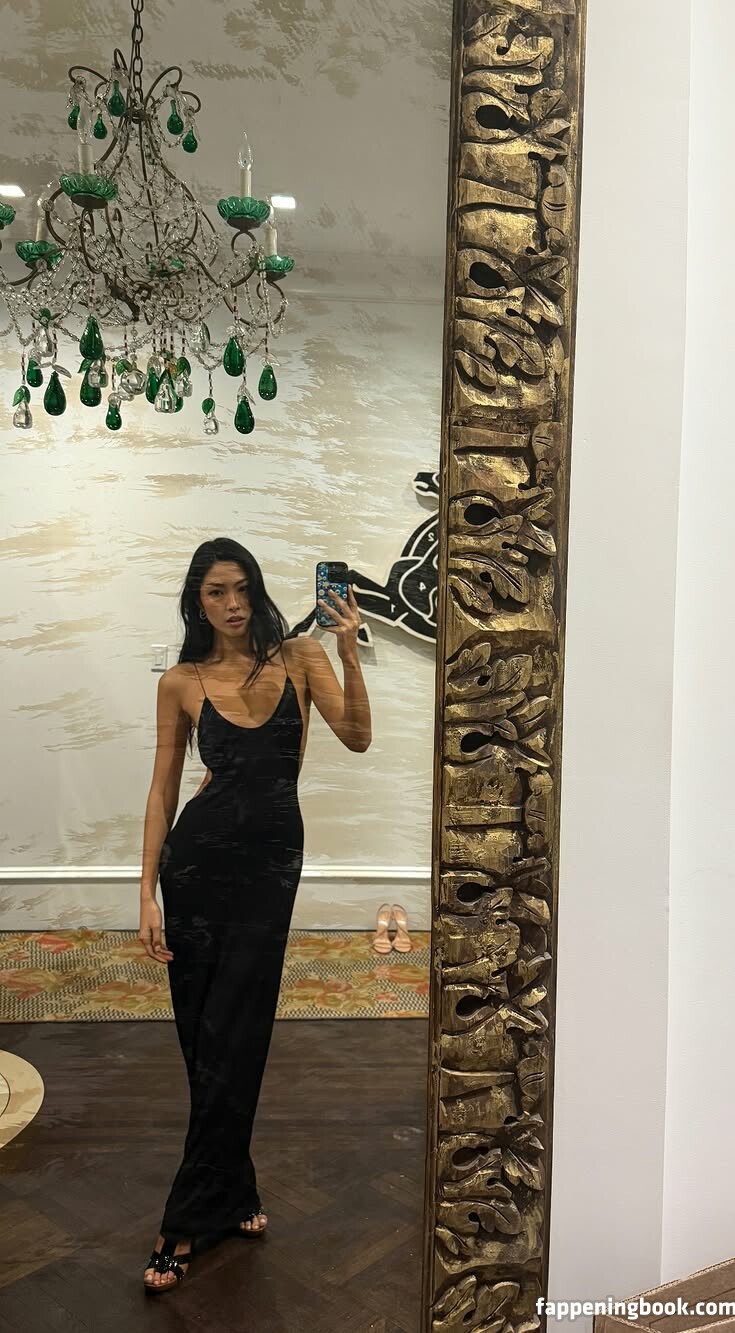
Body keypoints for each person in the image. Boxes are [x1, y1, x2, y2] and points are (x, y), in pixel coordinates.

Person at [138, 537, 371, 1293]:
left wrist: (349, 650)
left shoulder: (301, 657)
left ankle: (183, 1220)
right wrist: (145, 891)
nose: (233, 604)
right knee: (204, 1035)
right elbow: (162, 790)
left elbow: (357, 737)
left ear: (258, 588)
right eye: (216, 592)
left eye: (241, 588)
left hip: (270, 866)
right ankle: (232, 1191)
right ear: (197, 601)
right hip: (195, 868)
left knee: (240, 1030)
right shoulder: (181, 681)